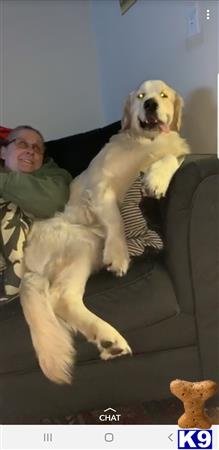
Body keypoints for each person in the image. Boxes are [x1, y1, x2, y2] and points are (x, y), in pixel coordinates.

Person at [0, 125, 72, 303]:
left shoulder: (56, 176)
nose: (31, 151)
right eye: (22, 144)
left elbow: (52, 203)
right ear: (3, 152)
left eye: (37, 148)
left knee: (8, 207)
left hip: (36, 257)